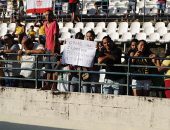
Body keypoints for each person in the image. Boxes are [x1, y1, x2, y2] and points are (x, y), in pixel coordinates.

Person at [41, 10, 60, 91]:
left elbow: (55, 37)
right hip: (48, 49)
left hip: (54, 49)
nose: (47, 16)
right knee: (48, 69)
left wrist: (53, 49)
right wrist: (45, 48)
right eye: (46, 15)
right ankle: (48, 84)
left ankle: (54, 85)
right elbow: (46, 38)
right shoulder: (45, 24)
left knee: (55, 68)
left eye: (49, 15)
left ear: (52, 15)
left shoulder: (54, 23)